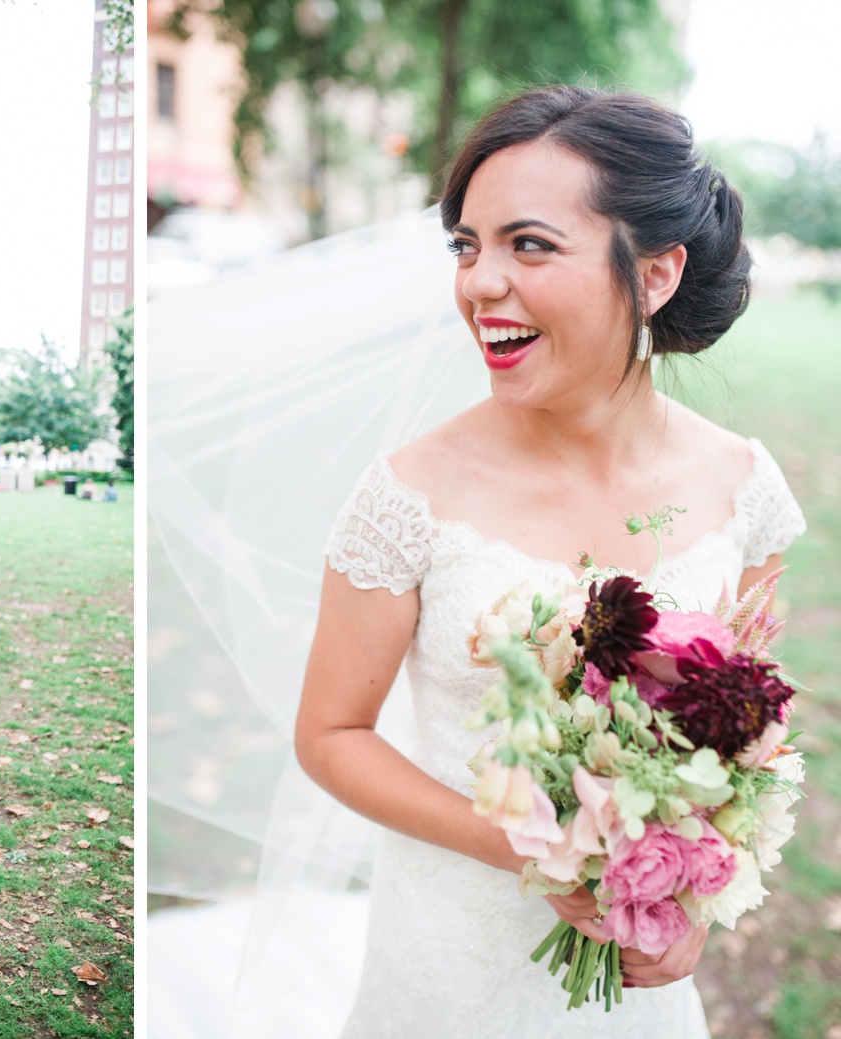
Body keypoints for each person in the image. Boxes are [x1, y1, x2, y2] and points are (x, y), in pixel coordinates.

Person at [292, 86, 804, 1035]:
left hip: (639, 985)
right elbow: (329, 735)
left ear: (653, 276)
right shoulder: (408, 495)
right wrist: (540, 847)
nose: (480, 282)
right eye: (467, 244)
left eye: (528, 244)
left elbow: (746, 737)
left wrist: (691, 897)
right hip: (448, 966)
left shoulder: (744, 487)